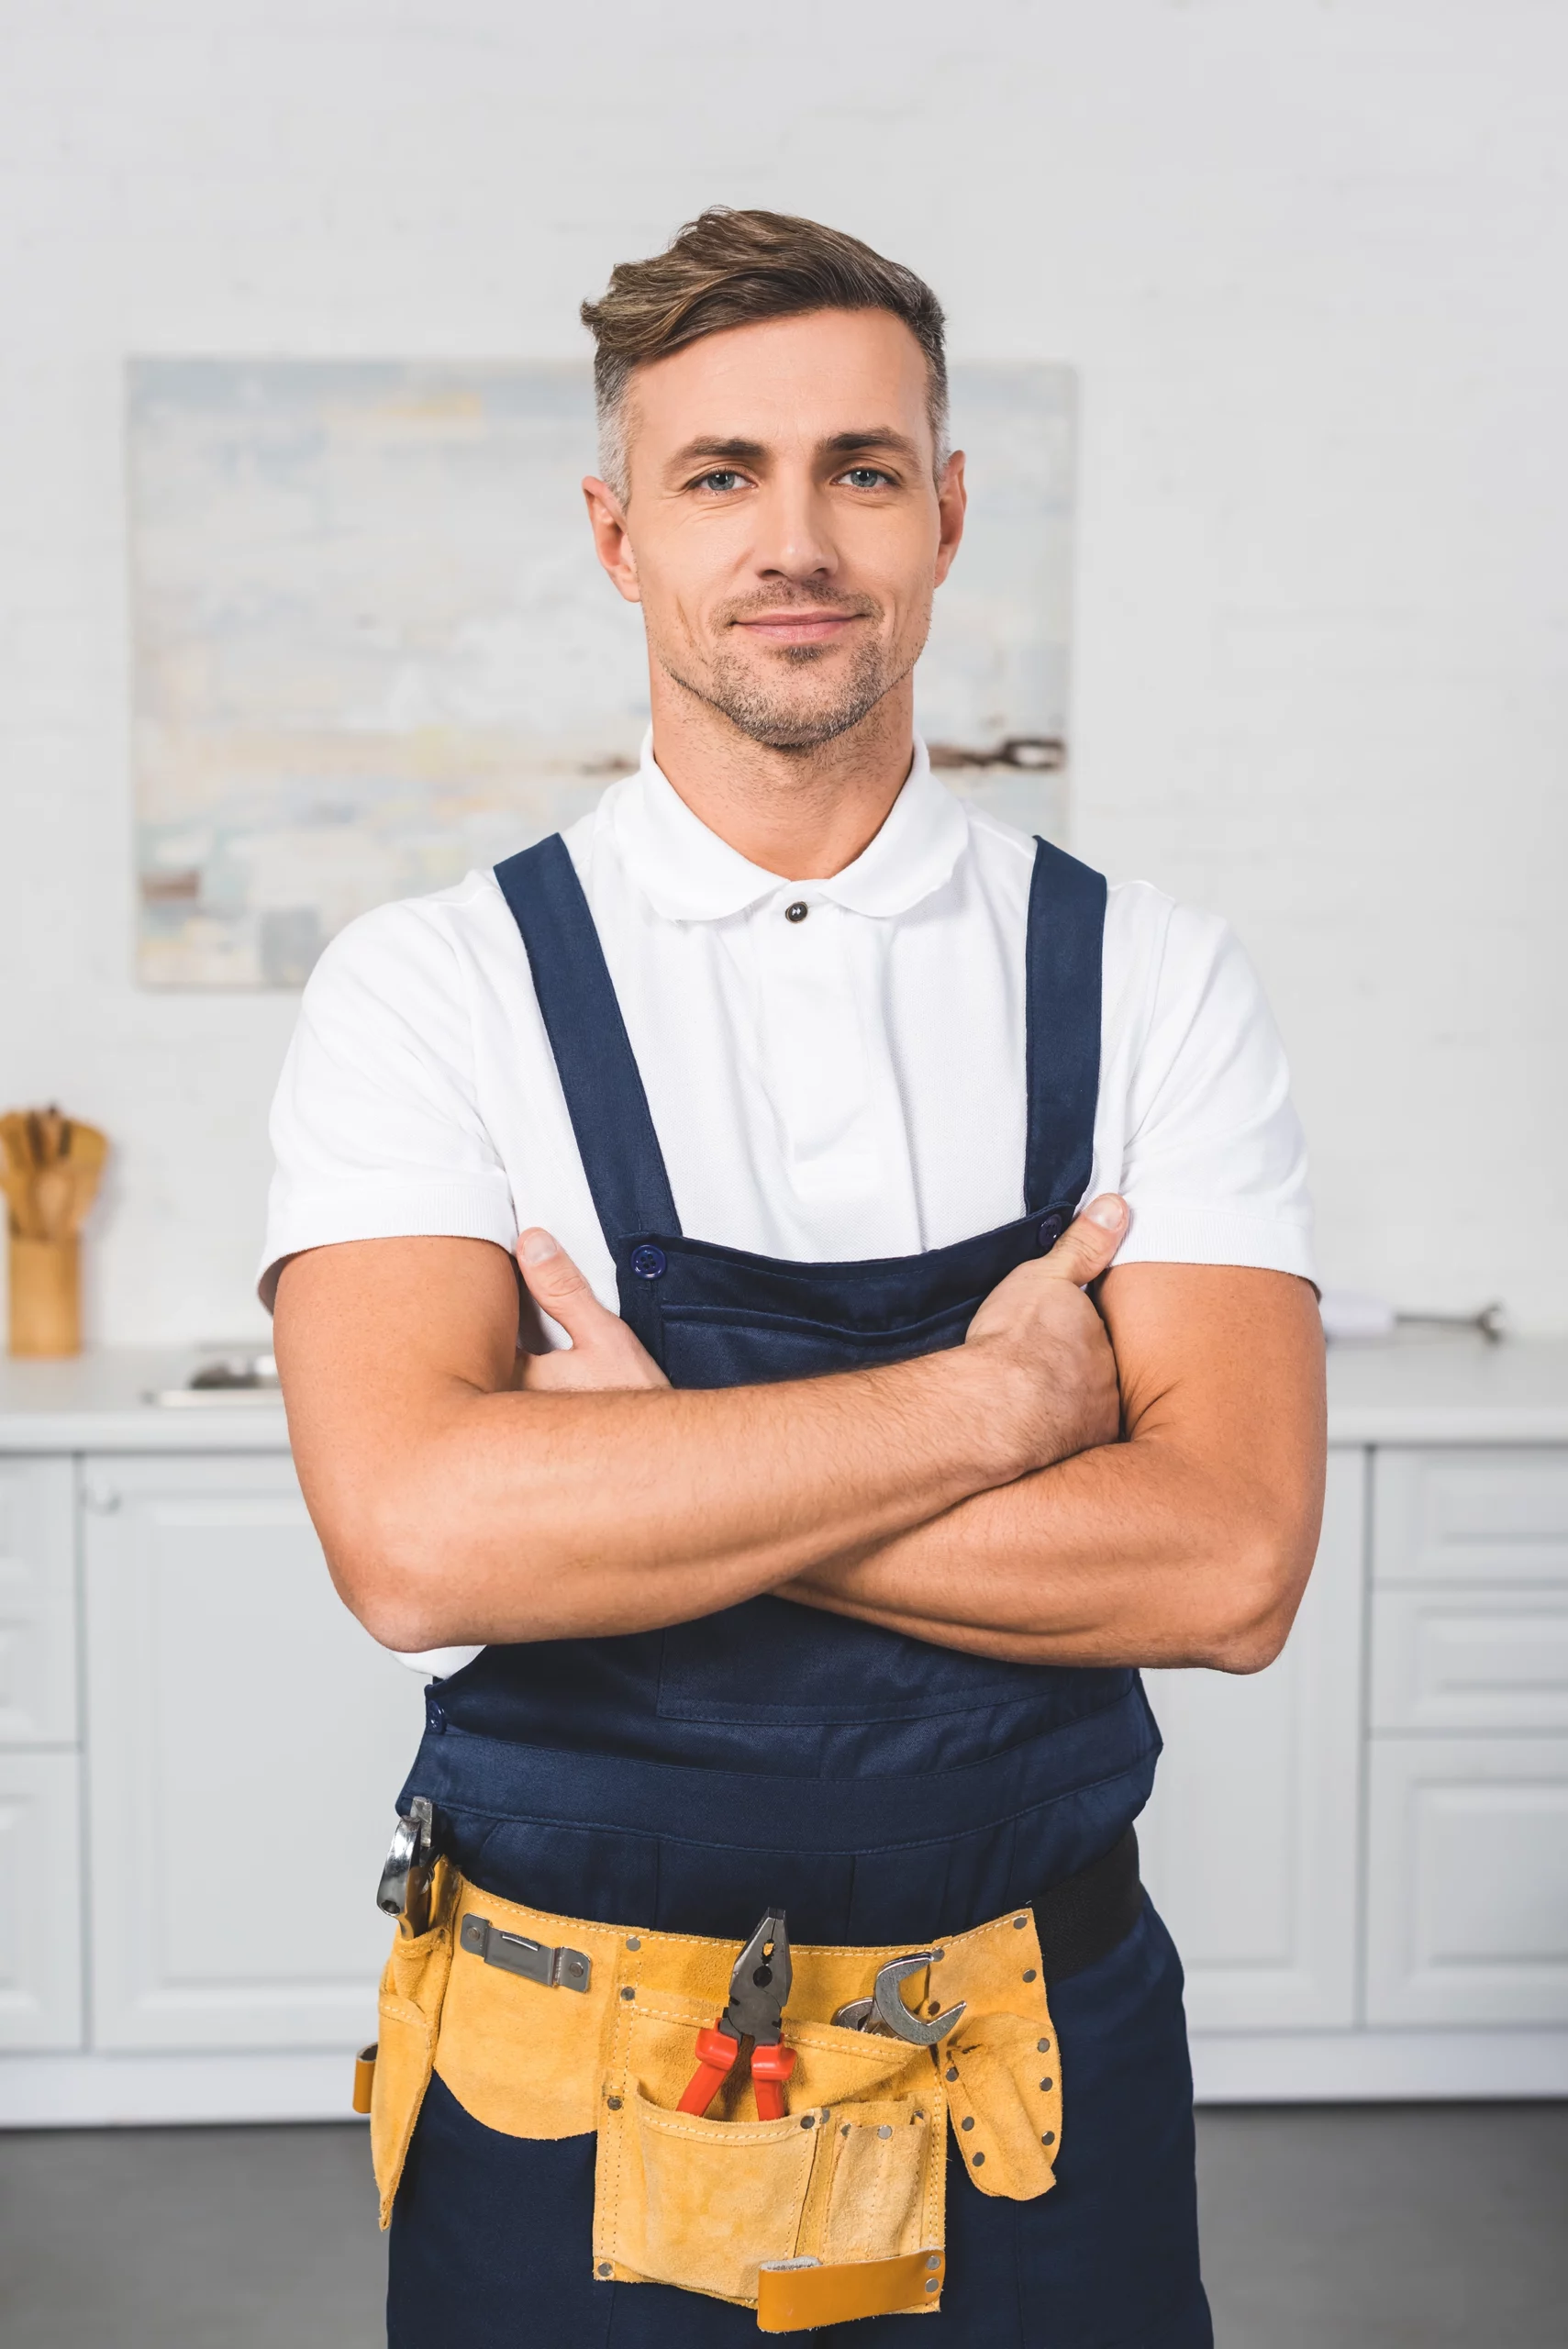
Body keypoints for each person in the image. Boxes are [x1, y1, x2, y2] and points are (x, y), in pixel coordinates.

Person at [264, 207, 1325, 2347]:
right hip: (563, 2053)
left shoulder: (1144, 979)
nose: (795, 538)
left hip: (1028, 2044)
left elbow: (1222, 1568)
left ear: (938, 517)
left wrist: (661, 1467)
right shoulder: (429, 988)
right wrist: (993, 1405)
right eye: (717, 473)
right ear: (614, 533)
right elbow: (414, 1539)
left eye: (858, 469)